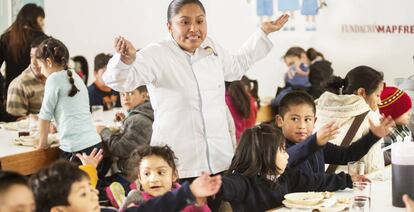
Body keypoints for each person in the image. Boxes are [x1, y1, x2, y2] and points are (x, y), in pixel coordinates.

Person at [102, 0, 289, 180]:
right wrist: (126, 60)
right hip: (178, 164)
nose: (194, 29)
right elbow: (120, 81)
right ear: (169, 26)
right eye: (184, 22)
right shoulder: (157, 53)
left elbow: (237, 67)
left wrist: (263, 33)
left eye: (200, 21)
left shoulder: (211, 48)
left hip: (219, 160)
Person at [216, 124, 366, 211]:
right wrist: (215, 186)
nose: (287, 154)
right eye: (282, 150)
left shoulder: (285, 177)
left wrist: (347, 179)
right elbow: (228, 185)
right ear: (266, 155)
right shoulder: (244, 182)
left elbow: (316, 181)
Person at [276, 91, 394, 175]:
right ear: (280, 121)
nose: (302, 126)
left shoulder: (316, 144)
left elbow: (347, 155)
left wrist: (373, 136)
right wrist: (315, 141)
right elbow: (289, 158)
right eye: (294, 119)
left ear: (315, 121)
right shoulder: (274, 147)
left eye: (307, 119)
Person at [34, 38, 104, 173]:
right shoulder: (76, 76)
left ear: (48, 62)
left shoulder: (53, 79)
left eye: (41, 66)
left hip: (76, 150)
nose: (41, 72)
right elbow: (73, 111)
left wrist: (42, 144)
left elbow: (44, 115)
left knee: (70, 191)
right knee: (91, 189)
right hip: (94, 145)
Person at [315, 65, 386, 173]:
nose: (380, 101)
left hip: (318, 184)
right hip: (350, 186)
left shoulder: (317, 108)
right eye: (377, 95)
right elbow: (373, 168)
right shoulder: (370, 118)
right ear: (361, 92)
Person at [111, 145, 210, 211]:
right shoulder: (138, 204)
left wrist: (200, 206)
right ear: (140, 178)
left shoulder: (187, 197)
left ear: (174, 175)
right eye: (147, 174)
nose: (154, 179)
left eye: (161, 172)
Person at [98, 85, 153, 180]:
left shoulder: (138, 120)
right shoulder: (143, 114)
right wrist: (125, 120)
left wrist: (103, 131)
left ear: (144, 96)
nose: (125, 97)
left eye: (130, 93)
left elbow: (120, 149)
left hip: (130, 175)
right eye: (122, 94)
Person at [0, 3, 47, 97]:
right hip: (37, 94)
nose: (43, 23)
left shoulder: (6, 38)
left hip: (12, 93)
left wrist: (2, 88)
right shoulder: (43, 40)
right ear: (33, 19)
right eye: (41, 19)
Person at [6, 35, 48, 118]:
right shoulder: (19, 84)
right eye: (31, 56)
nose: (33, 62)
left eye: (39, 57)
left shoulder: (60, 79)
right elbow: (15, 123)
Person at [378, 86, 412, 165]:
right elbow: (382, 156)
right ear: (392, 114)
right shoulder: (386, 134)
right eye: (406, 111)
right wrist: (402, 155)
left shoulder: (403, 126)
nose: (409, 114)